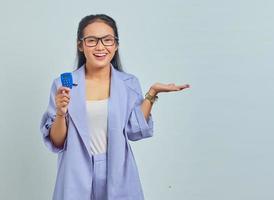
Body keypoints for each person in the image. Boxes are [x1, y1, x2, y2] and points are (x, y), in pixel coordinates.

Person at [40, 14, 190, 200]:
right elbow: (57, 142)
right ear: (80, 45)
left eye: (107, 40)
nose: (101, 47)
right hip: (75, 172)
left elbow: (135, 130)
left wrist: (152, 93)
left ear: (116, 45)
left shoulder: (128, 83)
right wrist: (61, 114)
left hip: (117, 171)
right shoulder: (64, 85)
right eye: (92, 40)